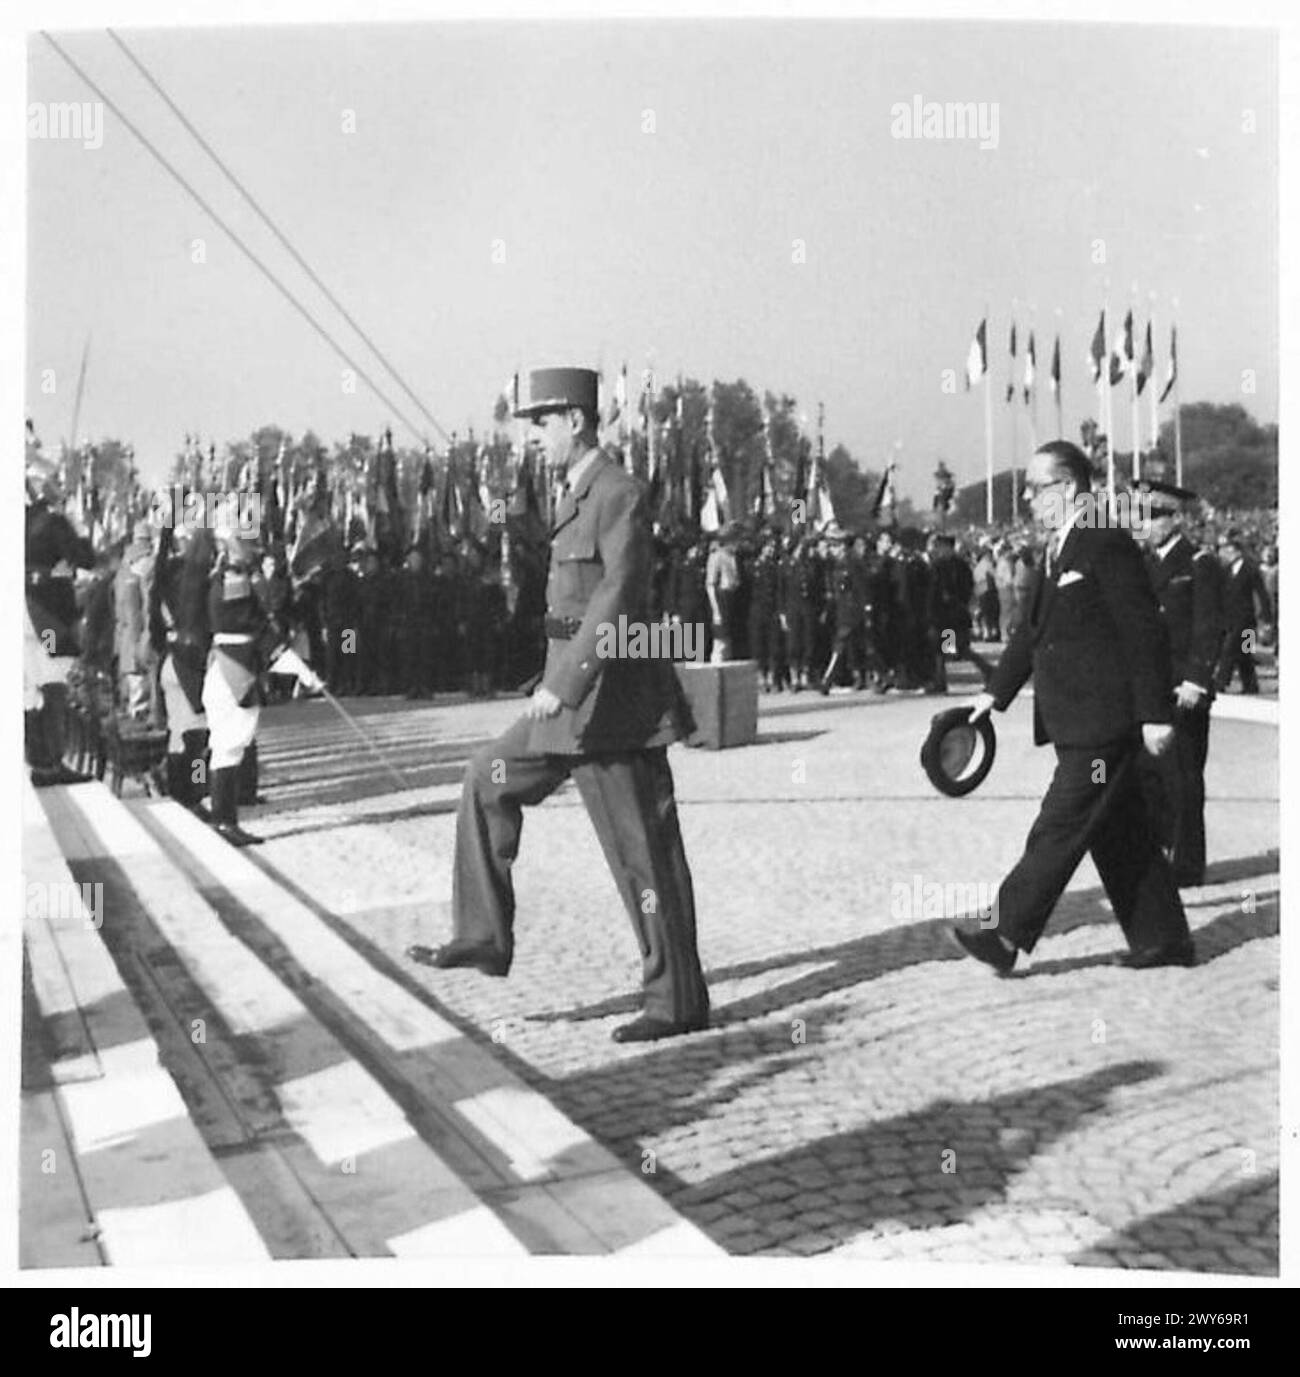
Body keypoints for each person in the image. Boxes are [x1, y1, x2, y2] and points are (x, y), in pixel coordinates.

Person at [407, 366, 709, 1044]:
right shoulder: (573, 495)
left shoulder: (619, 493)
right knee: (485, 777)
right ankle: (483, 933)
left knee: (645, 860)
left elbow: (618, 596)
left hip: (614, 706)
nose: (534, 438)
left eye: (541, 423)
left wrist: (565, 679)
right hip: (569, 705)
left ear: (576, 420)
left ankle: (676, 999)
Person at [951, 440, 1195, 973]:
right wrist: (992, 696)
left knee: (1058, 826)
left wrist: (1155, 713)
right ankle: (1164, 938)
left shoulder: (1104, 541)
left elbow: (1143, 629)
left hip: (1104, 720)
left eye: (1037, 488)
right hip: (1077, 718)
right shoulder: (1061, 545)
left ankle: (1004, 934)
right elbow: (1032, 631)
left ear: (1070, 488)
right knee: (1118, 828)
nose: (1028, 499)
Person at [1134, 481, 1226, 888]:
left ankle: (1187, 863)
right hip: (1153, 686)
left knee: (1184, 777)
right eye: (1142, 516)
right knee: (1150, 776)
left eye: (1154, 516)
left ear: (1175, 519)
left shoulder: (1198, 563)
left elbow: (1209, 626)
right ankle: (1159, 852)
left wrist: (1197, 679)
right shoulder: (1144, 564)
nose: (1147, 525)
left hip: (1183, 686)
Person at [1214, 529, 1271, 695]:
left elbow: (1262, 594)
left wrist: (1266, 619)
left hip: (1247, 620)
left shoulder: (1250, 569)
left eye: (1226, 549)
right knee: (1243, 654)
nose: (1223, 553)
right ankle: (1251, 685)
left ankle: (1221, 682)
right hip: (1229, 618)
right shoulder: (1225, 571)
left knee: (1232, 650)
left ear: (1234, 551)